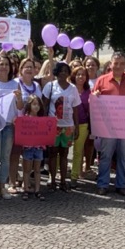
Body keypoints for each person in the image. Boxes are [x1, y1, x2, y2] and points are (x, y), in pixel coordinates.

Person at [93, 52, 125, 196]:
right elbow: (92, 101)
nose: (118, 66)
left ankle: (121, 184)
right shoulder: (101, 80)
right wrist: (95, 97)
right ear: (110, 64)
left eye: (122, 63)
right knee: (106, 155)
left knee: (124, 156)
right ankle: (103, 184)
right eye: (116, 63)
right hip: (107, 126)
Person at [0, 54, 23, 200]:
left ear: (11, 67)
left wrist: (19, 97)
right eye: (1, 64)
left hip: (9, 125)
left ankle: (4, 186)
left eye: (7, 64)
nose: (4, 67)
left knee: (6, 157)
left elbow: (20, 107)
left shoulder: (15, 84)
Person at [43, 62, 81, 192]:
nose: (63, 73)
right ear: (57, 72)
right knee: (53, 153)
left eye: (66, 70)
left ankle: (63, 181)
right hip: (53, 126)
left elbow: (76, 109)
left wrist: (76, 126)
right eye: (61, 70)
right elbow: (44, 105)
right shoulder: (50, 86)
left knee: (64, 154)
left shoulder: (73, 88)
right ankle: (52, 180)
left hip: (68, 126)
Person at [10, 57, 43, 191]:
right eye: (26, 67)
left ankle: (27, 182)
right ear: (21, 70)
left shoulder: (37, 86)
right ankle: (12, 182)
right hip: (18, 125)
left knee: (30, 156)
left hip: (33, 127)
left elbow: (39, 104)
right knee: (15, 154)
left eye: (31, 67)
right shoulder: (15, 83)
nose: (29, 69)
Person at [19, 95, 46, 200]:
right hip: (27, 147)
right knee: (26, 170)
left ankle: (37, 190)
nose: (36, 107)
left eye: (38, 104)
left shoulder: (42, 119)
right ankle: (26, 189)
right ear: (29, 105)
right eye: (34, 104)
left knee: (37, 169)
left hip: (38, 147)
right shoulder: (24, 119)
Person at [69, 66, 91, 182]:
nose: (81, 77)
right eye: (78, 74)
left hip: (83, 124)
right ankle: (58, 173)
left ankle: (74, 176)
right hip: (67, 124)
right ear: (74, 76)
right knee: (62, 149)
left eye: (83, 74)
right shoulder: (69, 89)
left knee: (78, 151)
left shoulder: (89, 92)